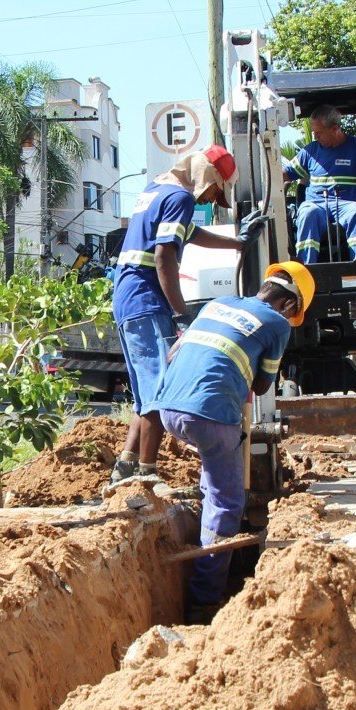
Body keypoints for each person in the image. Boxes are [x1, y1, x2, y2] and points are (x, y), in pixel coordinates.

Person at [152, 261, 314, 615]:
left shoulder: (217, 303)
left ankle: (208, 509)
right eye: (293, 313)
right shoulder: (276, 323)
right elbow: (261, 385)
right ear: (290, 305)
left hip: (169, 408)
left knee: (215, 479)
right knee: (228, 504)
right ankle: (205, 600)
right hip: (209, 415)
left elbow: (175, 352)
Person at [107, 146, 247, 486]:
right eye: (216, 192)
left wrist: (237, 243)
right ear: (208, 176)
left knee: (145, 394)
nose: (211, 200)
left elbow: (189, 234)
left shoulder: (155, 190)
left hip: (128, 299)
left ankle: (126, 466)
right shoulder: (181, 198)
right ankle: (146, 474)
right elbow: (163, 257)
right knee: (161, 389)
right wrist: (181, 313)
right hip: (147, 298)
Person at [292, 104, 356, 262]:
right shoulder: (310, 151)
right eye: (314, 133)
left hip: (348, 205)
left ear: (335, 128)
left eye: (319, 133)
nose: (315, 137)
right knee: (307, 212)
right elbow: (286, 173)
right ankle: (306, 268)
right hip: (316, 204)